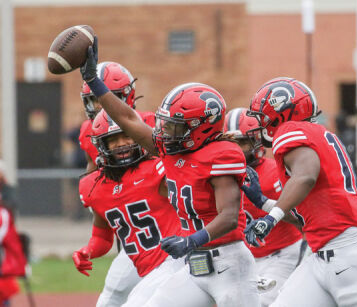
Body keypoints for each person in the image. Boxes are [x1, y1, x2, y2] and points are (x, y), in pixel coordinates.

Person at [78, 37, 261, 307]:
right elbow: (129, 119)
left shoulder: (221, 154)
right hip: (193, 264)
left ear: (202, 126)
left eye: (174, 126)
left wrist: (190, 241)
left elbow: (230, 218)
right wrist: (94, 81)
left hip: (229, 264)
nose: (164, 131)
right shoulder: (170, 151)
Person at [244, 77, 357, 306]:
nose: (260, 123)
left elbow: (306, 176)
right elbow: (303, 220)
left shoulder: (290, 130)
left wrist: (270, 218)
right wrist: (264, 202)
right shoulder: (314, 134)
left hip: (350, 256)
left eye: (263, 115)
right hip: (322, 257)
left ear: (281, 111)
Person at [73, 109, 184, 307]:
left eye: (127, 135)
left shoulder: (159, 169)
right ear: (101, 145)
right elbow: (102, 237)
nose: (121, 144)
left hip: (176, 261)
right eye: (113, 140)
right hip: (147, 269)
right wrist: (87, 251)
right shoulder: (93, 187)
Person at [78, 61, 155, 307]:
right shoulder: (89, 132)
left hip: (166, 219)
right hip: (133, 225)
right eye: (95, 100)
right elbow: (94, 175)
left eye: (107, 98)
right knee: (113, 297)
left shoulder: (151, 123)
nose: (103, 107)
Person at [224, 108, 304, 306]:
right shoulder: (221, 174)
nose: (237, 150)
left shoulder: (275, 171)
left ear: (257, 141)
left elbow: (300, 217)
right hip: (241, 259)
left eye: (242, 142)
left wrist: (264, 203)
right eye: (232, 143)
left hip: (280, 254)